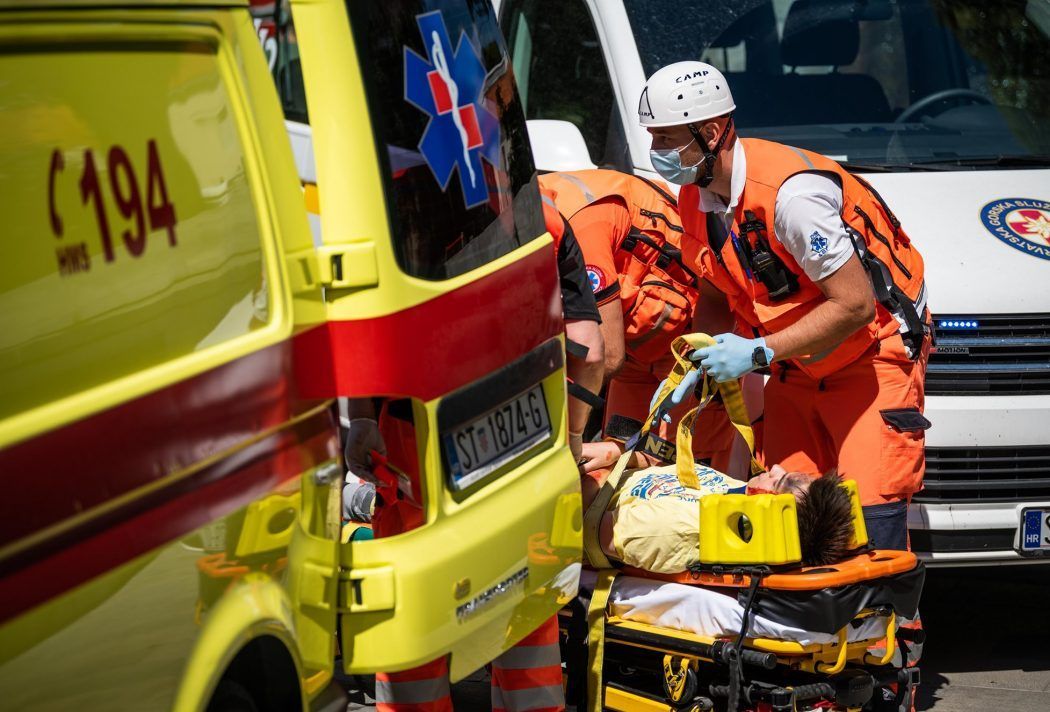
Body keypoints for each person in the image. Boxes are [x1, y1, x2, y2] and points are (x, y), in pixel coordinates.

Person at [639, 61, 931, 552]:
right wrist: (696, 363)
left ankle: (884, 608)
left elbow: (855, 306)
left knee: (870, 517)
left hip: (871, 356)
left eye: (667, 138)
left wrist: (756, 353)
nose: (657, 152)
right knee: (782, 511)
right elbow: (715, 290)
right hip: (796, 363)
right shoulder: (696, 198)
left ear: (711, 133)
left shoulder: (792, 199)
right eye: (654, 138)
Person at [342, 192, 605, 712]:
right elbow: (590, 351)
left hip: (417, 443)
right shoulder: (544, 218)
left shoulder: (391, 209)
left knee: (414, 616)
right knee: (523, 600)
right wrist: (572, 441)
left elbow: (364, 328)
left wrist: (364, 418)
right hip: (525, 439)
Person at [537, 170, 740, 486]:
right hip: (634, 347)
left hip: (691, 346)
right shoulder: (530, 213)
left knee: (688, 478)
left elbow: (605, 356)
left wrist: (560, 427)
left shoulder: (581, 229)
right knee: (608, 476)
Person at [597, 466, 854, 574]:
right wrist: (618, 452)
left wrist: (600, 468)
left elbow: (582, 527)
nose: (775, 468)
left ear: (768, 513)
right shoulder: (735, 495)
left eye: (781, 482)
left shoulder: (678, 529)